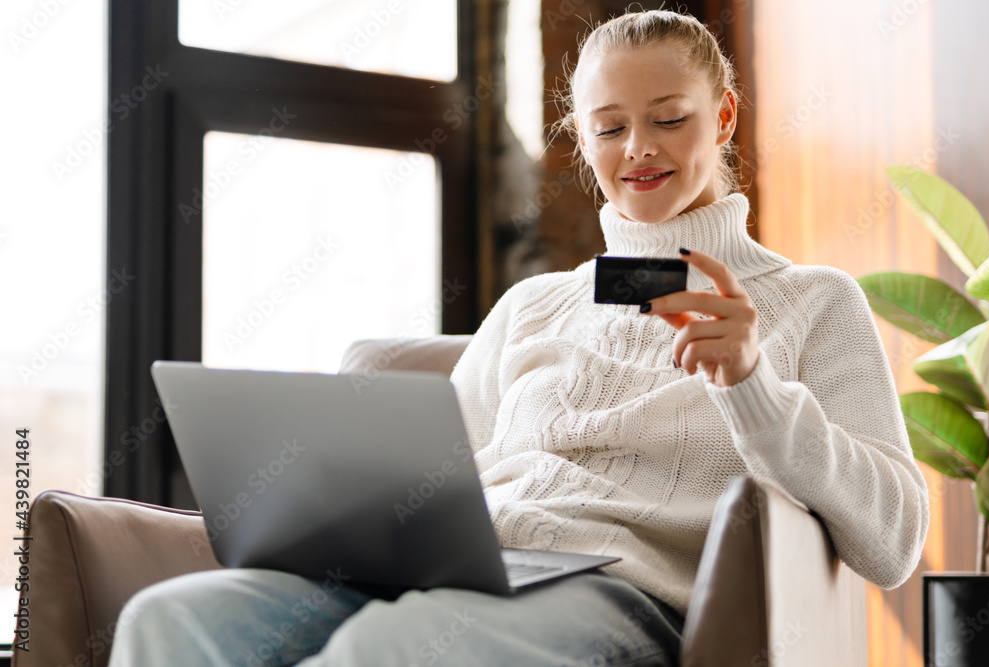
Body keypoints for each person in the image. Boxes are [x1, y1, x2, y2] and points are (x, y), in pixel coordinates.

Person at [109, 9, 929, 666]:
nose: (637, 148)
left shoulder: (813, 303)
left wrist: (752, 382)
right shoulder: (535, 305)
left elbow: (892, 542)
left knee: (390, 652)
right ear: (580, 138)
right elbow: (435, 483)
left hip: (615, 598)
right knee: (174, 621)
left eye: (668, 118)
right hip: (459, 573)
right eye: (608, 128)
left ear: (723, 116)